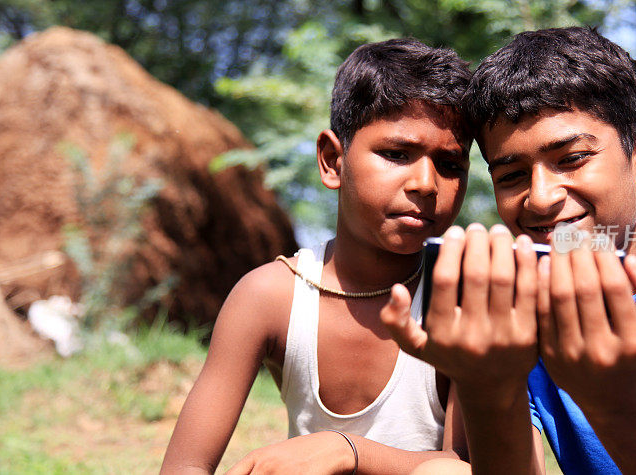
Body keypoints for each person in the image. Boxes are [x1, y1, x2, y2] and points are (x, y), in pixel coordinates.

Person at [381, 27, 636, 474]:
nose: (542, 197)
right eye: (511, 175)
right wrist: (486, 385)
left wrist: (614, 400)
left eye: (571, 158)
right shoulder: (510, 311)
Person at [161, 38, 474, 474]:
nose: (426, 182)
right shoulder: (270, 297)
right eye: (397, 154)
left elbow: (466, 467)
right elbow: (185, 467)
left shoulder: (464, 301)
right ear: (332, 160)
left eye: (450, 164)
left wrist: (345, 450)